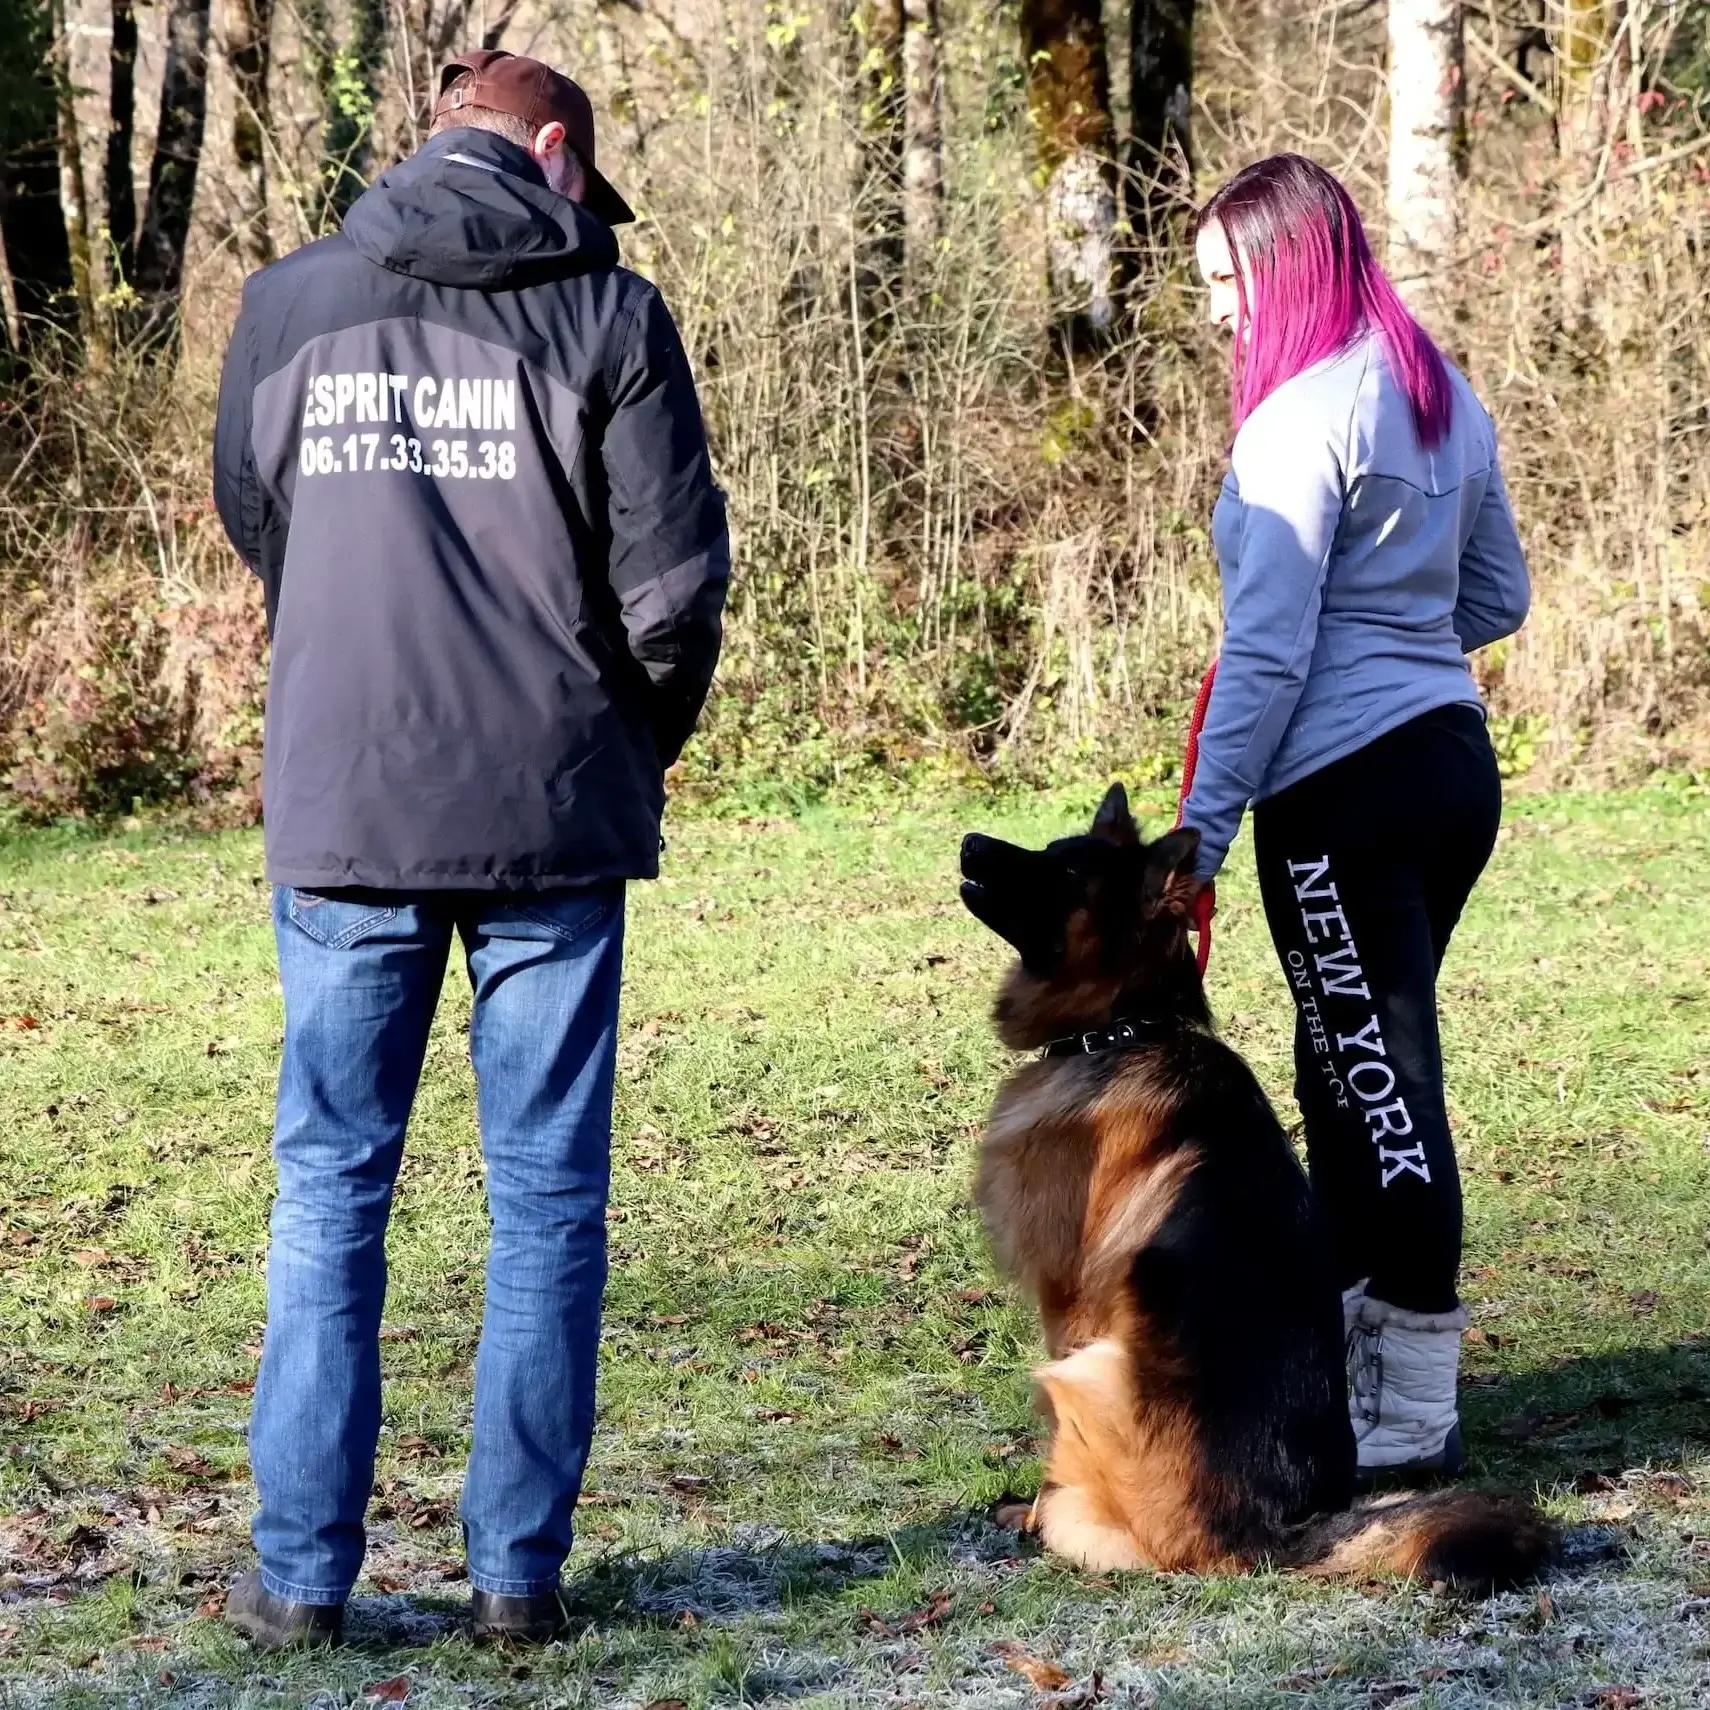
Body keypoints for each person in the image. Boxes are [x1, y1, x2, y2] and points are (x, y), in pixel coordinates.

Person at [212, 49, 729, 1647]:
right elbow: (672, 595)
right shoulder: (610, 315)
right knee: (547, 1203)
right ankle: (515, 1575)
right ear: (553, 148)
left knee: (327, 1193)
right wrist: (621, 743)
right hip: (549, 818)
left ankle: (299, 1577)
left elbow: (259, 514)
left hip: (347, 804)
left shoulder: (288, 303)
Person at [1181, 154, 1529, 1480]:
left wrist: (1201, 832)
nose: (1215, 311)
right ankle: (1343, 1378)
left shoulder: (1293, 421)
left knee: (1379, 1087)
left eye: (1224, 281)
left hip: (1341, 793)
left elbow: (1264, 654)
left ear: (1281, 268)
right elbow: (1497, 596)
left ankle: (1410, 1418)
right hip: (1448, 771)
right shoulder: (1441, 399)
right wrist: (1397, 644)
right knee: (1349, 1069)